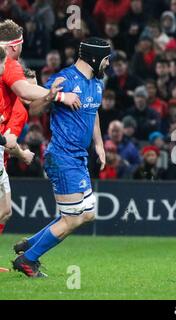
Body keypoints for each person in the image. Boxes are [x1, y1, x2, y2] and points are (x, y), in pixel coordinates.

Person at [11, 37, 111, 278]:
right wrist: (50, 97)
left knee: (87, 214)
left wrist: (99, 144)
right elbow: (33, 109)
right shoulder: (63, 80)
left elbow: (93, 112)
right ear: (95, 58)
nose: (108, 64)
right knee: (73, 218)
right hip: (62, 156)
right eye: (106, 59)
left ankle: (30, 245)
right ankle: (27, 260)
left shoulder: (97, 84)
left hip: (78, 157)